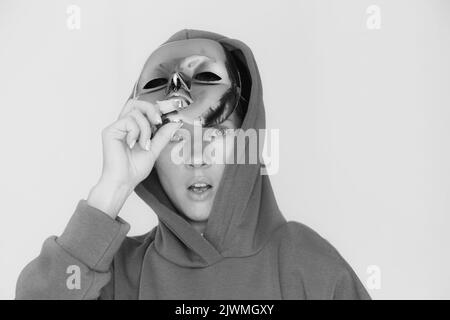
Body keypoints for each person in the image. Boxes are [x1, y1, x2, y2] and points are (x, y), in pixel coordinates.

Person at [16, 29, 371, 300]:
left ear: (248, 137)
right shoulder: (114, 275)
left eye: (215, 133)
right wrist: (111, 191)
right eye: (174, 137)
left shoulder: (309, 267)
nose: (196, 157)